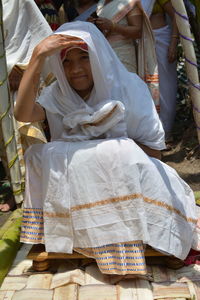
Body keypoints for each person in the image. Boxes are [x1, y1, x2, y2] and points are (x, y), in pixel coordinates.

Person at [15, 21, 197, 276]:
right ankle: (69, 234)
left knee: (116, 151)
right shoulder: (59, 94)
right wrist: (37, 57)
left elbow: (154, 154)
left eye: (84, 58)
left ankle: (125, 238)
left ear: (99, 57)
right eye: (66, 61)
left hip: (134, 189)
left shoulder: (129, 88)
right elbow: (22, 113)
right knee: (38, 155)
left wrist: (102, 153)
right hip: (77, 194)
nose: (75, 69)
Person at [0, 0, 52, 211]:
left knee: (25, 134)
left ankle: (39, 191)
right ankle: (16, 190)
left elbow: (39, 36)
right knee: (4, 143)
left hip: (16, 78)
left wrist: (22, 69)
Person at [89, 0, 160, 109]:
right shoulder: (101, 3)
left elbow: (137, 31)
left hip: (123, 54)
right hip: (103, 53)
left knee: (125, 92)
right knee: (108, 94)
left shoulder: (128, 2)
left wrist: (112, 26)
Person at [141, 0, 179, 141]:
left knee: (166, 87)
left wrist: (173, 43)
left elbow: (176, 16)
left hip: (162, 39)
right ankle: (153, 133)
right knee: (146, 86)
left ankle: (166, 131)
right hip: (140, 42)